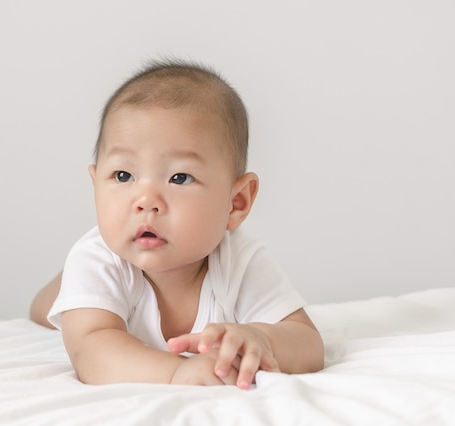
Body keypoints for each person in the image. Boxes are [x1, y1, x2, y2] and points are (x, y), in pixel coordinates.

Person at [30, 60, 324, 389]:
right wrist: (176, 372)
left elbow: (308, 341)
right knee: (53, 307)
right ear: (96, 183)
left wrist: (264, 339)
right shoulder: (99, 259)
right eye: (123, 175)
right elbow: (91, 350)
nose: (145, 201)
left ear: (236, 202)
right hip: (92, 275)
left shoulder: (238, 262)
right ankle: (62, 289)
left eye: (179, 177)